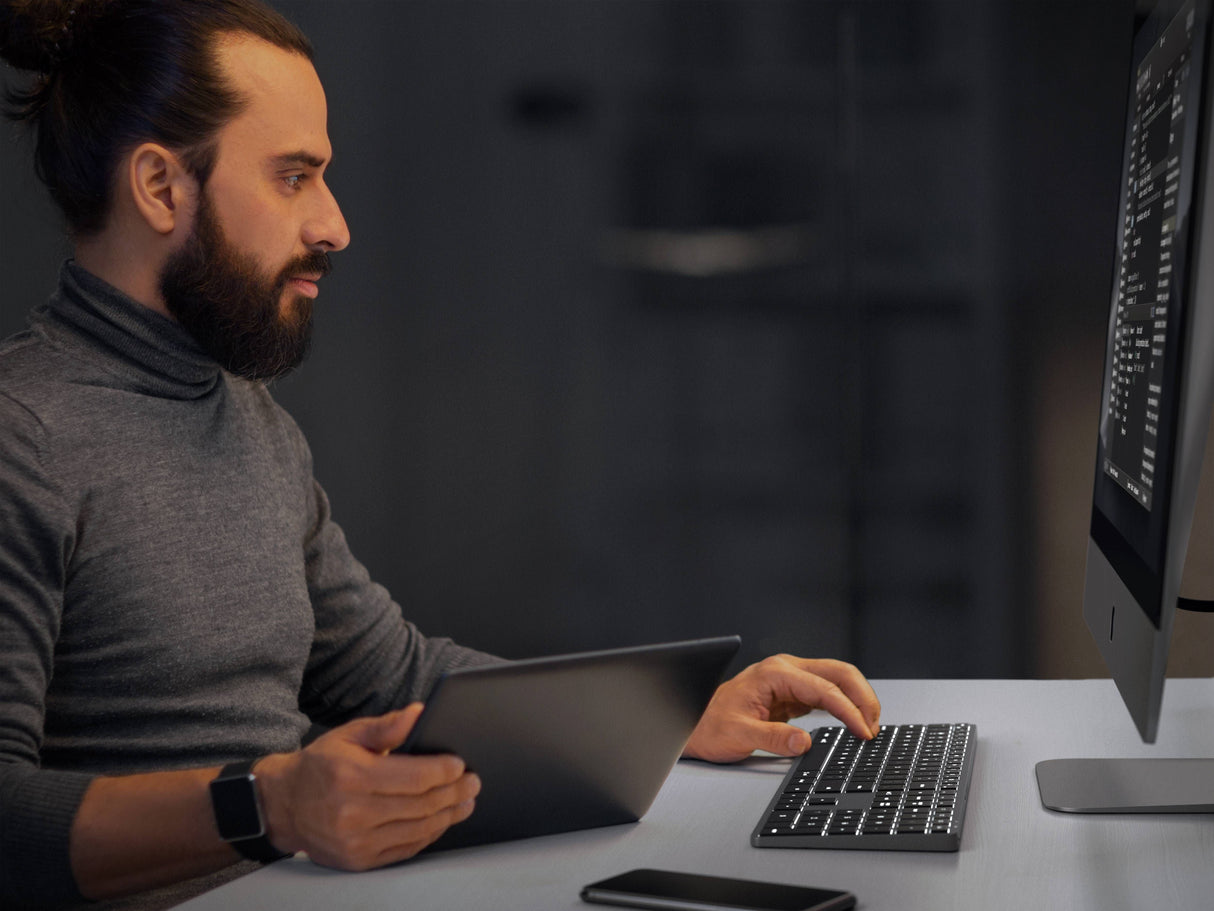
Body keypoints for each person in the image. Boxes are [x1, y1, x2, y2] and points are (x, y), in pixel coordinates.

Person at [0, 2, 882, 909]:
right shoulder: (21, 439)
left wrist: (670, 720)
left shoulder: (252, 422)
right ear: (160, 187)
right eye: (294, 176)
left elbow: (398, 672)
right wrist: (266, 807)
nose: (335, 226)